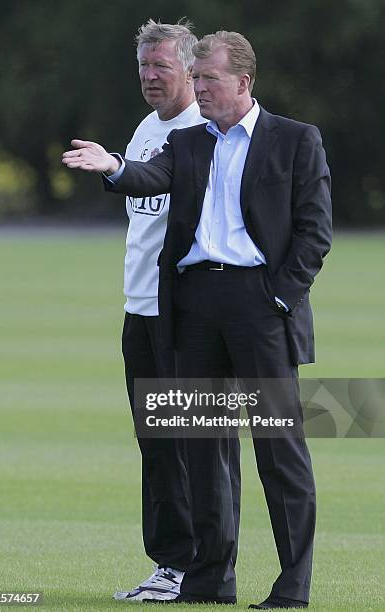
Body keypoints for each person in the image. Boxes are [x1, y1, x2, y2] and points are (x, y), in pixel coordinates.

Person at [63, 30, 332, 608]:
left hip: (258, 308)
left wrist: (278, 298)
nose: (200, 87)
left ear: (243, 82)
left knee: (277, 448)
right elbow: (148, 176)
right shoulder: (188, 143)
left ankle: (293, 586)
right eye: (198, 77)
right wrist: (112, 166)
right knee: (204, 451)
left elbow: (315, 232)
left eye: (207, 77)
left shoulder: (293, 139)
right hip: (195, 310)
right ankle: (211, 581)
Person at [63, 20, 241, 603]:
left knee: (191, 442)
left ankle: (196, 568)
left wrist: (114, 167)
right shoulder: (148, 126)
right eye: (143, 66)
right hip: (139, 310)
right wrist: (117, 162)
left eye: (161, 66)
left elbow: (148, 180)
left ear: (190, 70)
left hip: (182, 314)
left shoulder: (203, 132)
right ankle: (170, 565)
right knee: (156, 443)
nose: (149, 77)